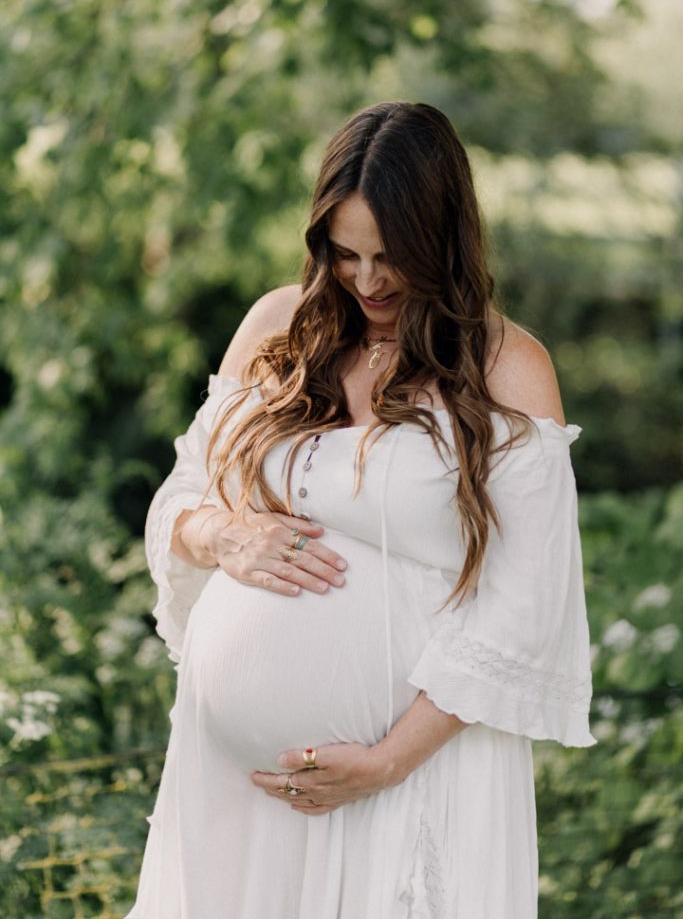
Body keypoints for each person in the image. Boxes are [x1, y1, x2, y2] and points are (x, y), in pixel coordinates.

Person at [125, 101, 596, 919]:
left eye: (392, 256)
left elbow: (523, 607)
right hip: (235, 786)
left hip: (411, 778)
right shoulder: (280, 327)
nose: (369, 280)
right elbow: (180, 501)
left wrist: (383, 762)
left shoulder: (505, 366)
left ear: (442, 241)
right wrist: (227, 533)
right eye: (345, 254)